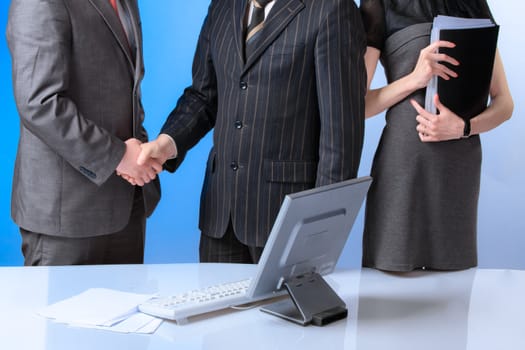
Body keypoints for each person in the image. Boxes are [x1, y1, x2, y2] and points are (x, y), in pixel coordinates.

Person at [133, 0, 367, 263]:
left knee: (282, 306)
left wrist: (319, 226)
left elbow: (341, 134)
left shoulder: (332, 9)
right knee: (216, 305)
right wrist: (167, 142)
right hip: (220, 215)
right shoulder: (222, 7)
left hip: (287, 218)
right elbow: (203, 95)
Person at [359, 0, 514, 271]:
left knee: (453, 296)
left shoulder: (474, 4)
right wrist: (415, 78)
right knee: (390, 293)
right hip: (404, 166)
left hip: (459, 172)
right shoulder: (379, 3)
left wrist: (464, 127)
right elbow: (359, 105)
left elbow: (504, 104)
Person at [6, 0, 162, 266]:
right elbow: (40, 103)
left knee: (126, 307)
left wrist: (138, 155)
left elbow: (124, 89)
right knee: (59, 310)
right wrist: (119, 156)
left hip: (126, 203)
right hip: (66, 216)